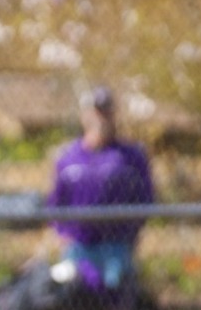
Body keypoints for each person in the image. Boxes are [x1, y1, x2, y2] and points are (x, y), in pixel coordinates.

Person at [48, 86, 155, 288]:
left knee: (115, 296)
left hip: (117, 246)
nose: (101, 118)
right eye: (96, 111)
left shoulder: (131, 156)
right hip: (78, 246)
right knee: (73, 294)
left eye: (106, 112)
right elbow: (55, 203)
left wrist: (132, 233)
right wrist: (62, 235)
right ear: (84, 115)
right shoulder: (68, 157)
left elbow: (146, 197)